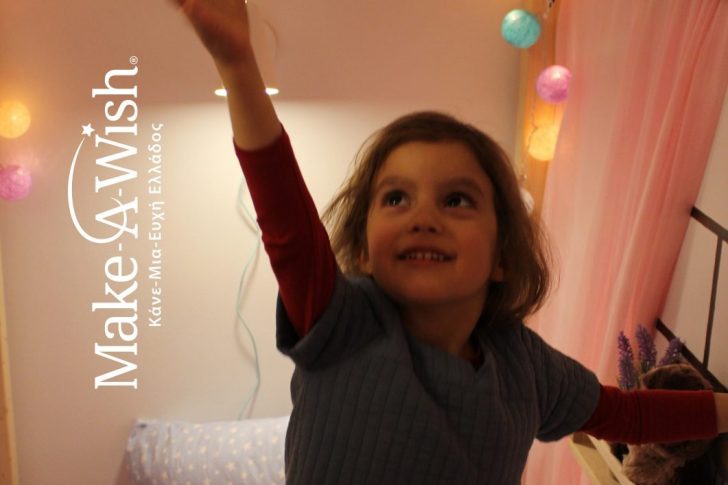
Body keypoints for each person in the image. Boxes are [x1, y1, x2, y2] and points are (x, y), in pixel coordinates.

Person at [173, 1, 728, 483]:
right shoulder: (341, 323)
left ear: (503, 256)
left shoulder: (527, 368)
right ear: (363, 250)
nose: (424, 217)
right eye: (396, 198)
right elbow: (286, 224)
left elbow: (628, 417)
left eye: (457, 200)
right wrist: (238, 67)